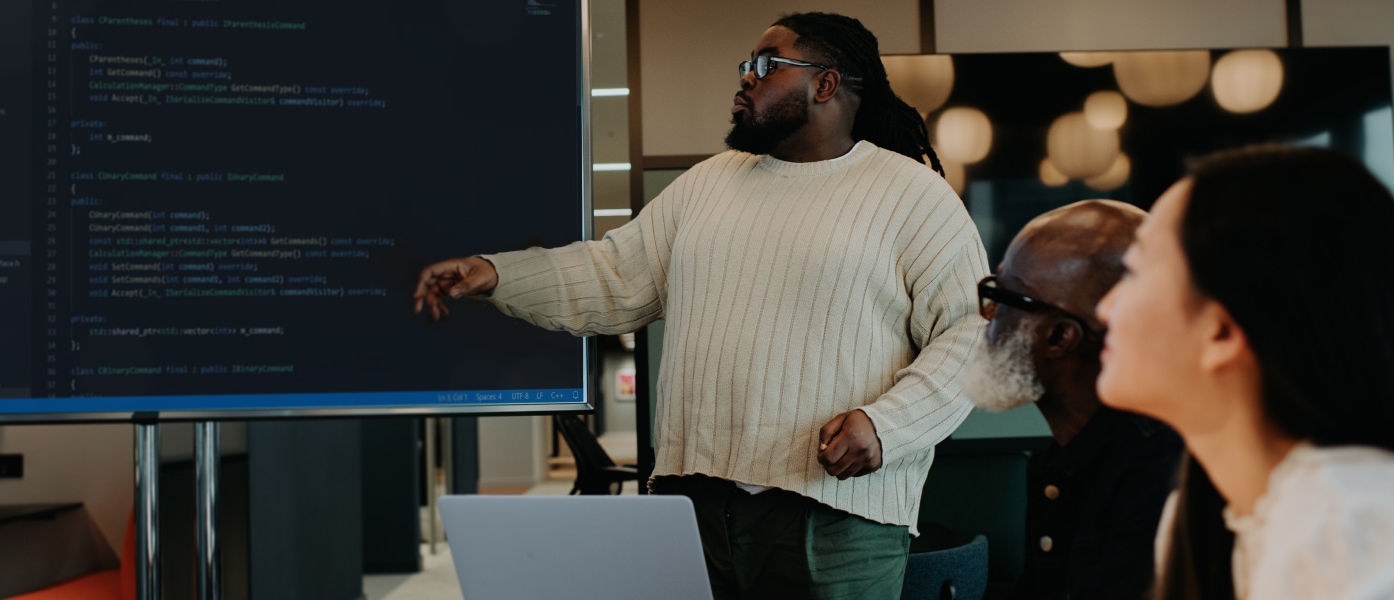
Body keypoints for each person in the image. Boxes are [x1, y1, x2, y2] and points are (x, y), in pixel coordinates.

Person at [414, 12, 988, 599]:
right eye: (745, 66)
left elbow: (971, 336)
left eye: (766, 66)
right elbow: (615, 277)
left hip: (837, 519)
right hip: (694, 507)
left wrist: (887, 425)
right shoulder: (706, 183)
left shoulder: (913, 197)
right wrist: (497, 274)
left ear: (825, 84)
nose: (745, 79)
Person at [1093, 145, 1394, 600]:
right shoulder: (1204, 519)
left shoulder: (1358, 527)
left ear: (1223, 330)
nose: (1104, 308)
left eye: (1131, 273)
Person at [963, 200, 1183, 599]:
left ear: (1060, 337)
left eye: (1004, 298)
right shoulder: (1062, 458)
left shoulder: (1158, 473)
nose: (988, 315)